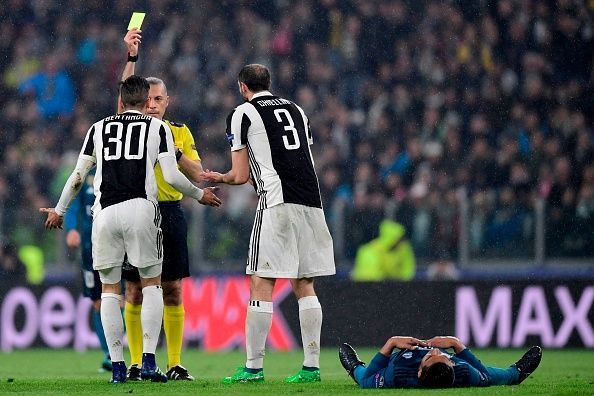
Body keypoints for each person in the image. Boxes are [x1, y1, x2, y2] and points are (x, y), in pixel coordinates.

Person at [41, 75, 221, 384]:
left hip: (106, 213)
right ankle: (149, 361)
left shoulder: (98, 128)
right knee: (152, 285)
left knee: (111, 291)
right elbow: (173, 176)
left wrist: (60, 210)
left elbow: (78, 175)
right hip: (141, 210)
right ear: (145, 100)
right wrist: (198, 194)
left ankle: (119, 367)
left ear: (122, 102)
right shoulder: (158, 129)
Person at [202, 64, 336, 384]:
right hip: (311, 202)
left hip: (275, 202)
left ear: (242, 87)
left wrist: (217, 177)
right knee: (304, 283)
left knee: (262, 282)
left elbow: (240, 175)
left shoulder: (242, 113)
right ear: (269, 84)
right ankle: (311, 367)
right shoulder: (297, 110)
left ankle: (253, 368)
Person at [118, 28, 205, 381]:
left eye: (158, 99)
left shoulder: (179, 131)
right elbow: (122, 99)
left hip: (169, 213)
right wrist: (131, 57)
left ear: (167, 102)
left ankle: (175, 362)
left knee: (172, 288)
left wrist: (174, 150)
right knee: (135, 290)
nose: (151, 105)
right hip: (136, 210)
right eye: (147, 99)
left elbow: (198, 171)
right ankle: (137, 362)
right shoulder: (128, 127)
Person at [338, 336, 542, 388]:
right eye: (443, 355)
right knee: (500, 377)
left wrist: (390, 344)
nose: (434, 350)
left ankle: (353, 366)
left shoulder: (398, 372)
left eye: (430, 355)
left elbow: (368, 381)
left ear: (419, 372)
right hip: (457, 368)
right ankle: (517, 372)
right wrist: (456, 344)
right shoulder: (463, 372)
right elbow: (485, 375)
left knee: (363, 377)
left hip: (397, 359)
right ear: (453, 363)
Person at [63, 168, 112, 372]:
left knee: (124, 297)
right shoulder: (84, 172)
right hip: (89, 248)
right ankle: (109, 352)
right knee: (98, 302)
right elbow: (73, 203)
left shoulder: (119, 164)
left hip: (115, 243)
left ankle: (130, 351)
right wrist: (71, 228)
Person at [351, 219, 416, 281]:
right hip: (366, 288)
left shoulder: (404, 249)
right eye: (399, 239)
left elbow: (408, 272)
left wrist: (400, 283)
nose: (402, 242)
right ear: (392, 239)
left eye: (402, 238)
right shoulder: (369, 251)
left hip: (393, 288)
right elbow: (370, 278)